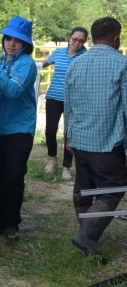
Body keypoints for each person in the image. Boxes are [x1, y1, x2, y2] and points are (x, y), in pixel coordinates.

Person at [64, 17, 127, 263]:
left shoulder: (76, 65)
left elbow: (67, 105)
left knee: (86, 188)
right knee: (115, 187)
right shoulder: (122, 64)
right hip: (106, 140)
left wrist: (69, 135)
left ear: (91, 37)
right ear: (116, 38)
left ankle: (87, 235)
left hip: (79, 139)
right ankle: (86, 235)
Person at [0, 16, 38, 241]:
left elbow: (12, 90)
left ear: (26, 44)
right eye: (8, 38)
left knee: (13, 176)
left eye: (18, 40)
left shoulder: (27, 64)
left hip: (19, 130)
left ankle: (12, 224)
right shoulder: (3, 61)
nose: (11, 43)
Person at [36, 27, 89, 180]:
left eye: (81, 41)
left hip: (73, 101)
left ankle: (66, 167)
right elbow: (46, 62)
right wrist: (38, 65)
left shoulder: (84, 56)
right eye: (75, 39)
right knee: (50, 131)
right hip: (53, 98)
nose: (77, 43)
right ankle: (53, 160)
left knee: (69, 135)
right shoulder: (58, 53)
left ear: (84, 42)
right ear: (69, 37)